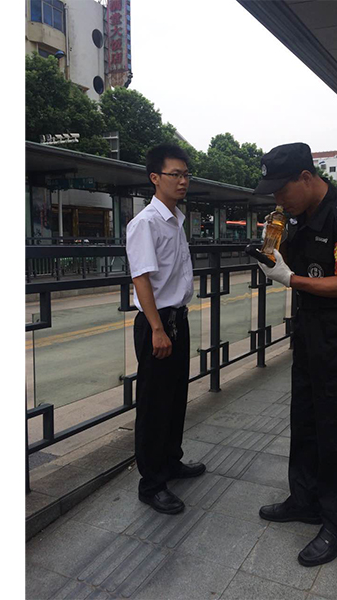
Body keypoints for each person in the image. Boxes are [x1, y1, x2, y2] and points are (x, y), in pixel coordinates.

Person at [253, 142, 337, 566]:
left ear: (306, 178)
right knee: (305, 422)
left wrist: (291, 280)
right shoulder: (298, 218)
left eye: (282, 189)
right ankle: (304, 500)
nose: (278, 199)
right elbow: (293, 264)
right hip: (309, 338)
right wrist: (272, 255)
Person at [126, 144, 206, 515]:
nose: (183, 181)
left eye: (186, 174)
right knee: (154, 406)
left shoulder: (176, 219)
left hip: (177, 319)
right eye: (175, 174)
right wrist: (157, 329)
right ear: (155, 178)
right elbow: (141, 278)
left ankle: (171, 462)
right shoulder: (146, 223)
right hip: (156, 323)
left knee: (175, 398)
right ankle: (152, 483)